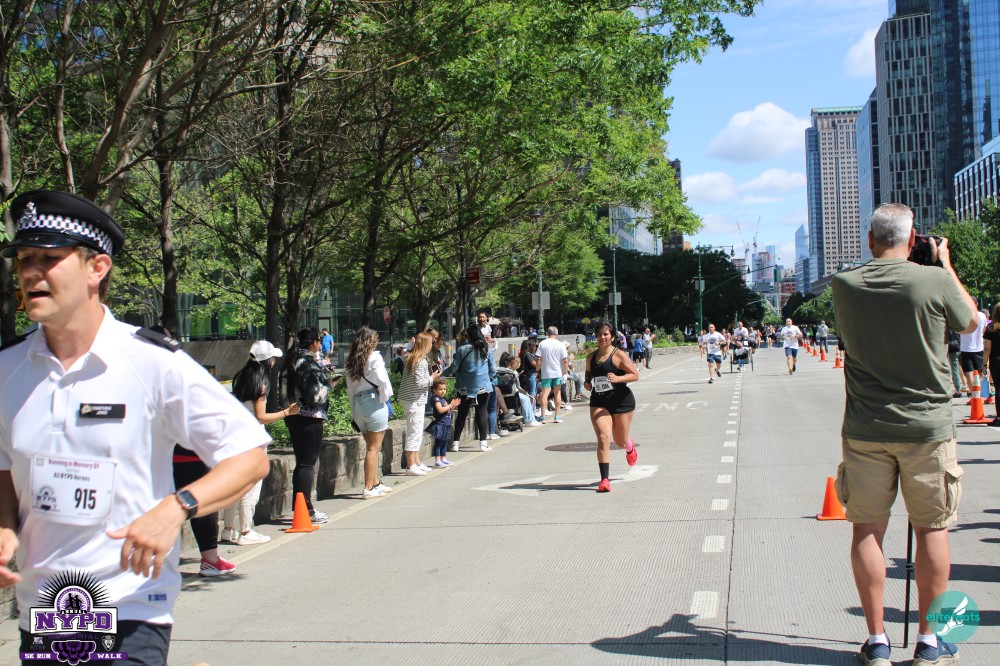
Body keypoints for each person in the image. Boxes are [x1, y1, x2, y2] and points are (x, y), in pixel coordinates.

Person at [0, 191, 270, 663]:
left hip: (130, 605)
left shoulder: (152, 362)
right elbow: (5, 468)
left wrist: (177, 507)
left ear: (96, 267)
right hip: (46, 611)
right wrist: (5, 528)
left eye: (48, 258)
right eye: (24, 258)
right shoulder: (8, 370)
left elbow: (249, 456)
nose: (30, 272)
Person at [832, 202, 978, 666]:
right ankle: (929, 642)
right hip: (927, 428)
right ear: (914, 240)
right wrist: (944, 263)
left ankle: (876, 640)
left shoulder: (844, 284)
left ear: (870, 240)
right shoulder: (934, 280)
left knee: (867, 529)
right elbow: (971, 321)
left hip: (867, 427)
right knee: (932, 530)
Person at [224, 340, 301, 545]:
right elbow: (261, 417)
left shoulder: (240, 378)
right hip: (252, 440)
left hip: (235, 437)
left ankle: (228, 529)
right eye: (273, 358)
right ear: (268, 360)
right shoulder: (261, 383)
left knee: (234, 484)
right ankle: (246, 531)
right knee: (251, 486)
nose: (274, 361)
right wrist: (287, 412)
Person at [584, 320, 639, 492]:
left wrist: (618, 378)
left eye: (606, 334)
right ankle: (604, 480)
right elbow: (588, 373)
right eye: (599, 334)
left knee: (620, 441)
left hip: (621, 401)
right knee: (603, 437)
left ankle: (629, 447)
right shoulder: (591, 357)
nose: (602, 337)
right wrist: (587, 383)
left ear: (612, 336)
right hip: (599, 401)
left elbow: (634, 375)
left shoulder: (619, 355)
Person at [287, 327, 335, 521]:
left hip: (295, 415)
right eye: (318, 340)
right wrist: (330, 386)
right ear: (314, 342)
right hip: (309, 417)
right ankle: (307, 510)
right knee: (307, 464)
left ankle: (301, 507)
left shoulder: (292, 360)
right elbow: (315, 395)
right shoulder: (306, 363)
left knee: (302, 463)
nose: (320, 344)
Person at [345, 327, 395, 498]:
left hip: (358, 405)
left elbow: (350, 389)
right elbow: (382, 380)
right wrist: (385, 395)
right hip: (374, 402)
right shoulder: (374, 357)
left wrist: (354, 412)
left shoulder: (351, 360)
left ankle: (376, 482)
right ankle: (368, 487)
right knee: (374, 448)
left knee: (371, 446)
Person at [442, 326, 496, 451]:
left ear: (469, 336)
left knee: (462, 413)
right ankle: (483, 443)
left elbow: (455, 367)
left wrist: (443, 373)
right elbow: (493, 369)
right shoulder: (486, 349)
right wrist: (488, 378)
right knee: (482, 412)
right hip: (482, 385)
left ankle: (455, 443)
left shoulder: (462, 349)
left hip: (464, 386)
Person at [399, 332, 439, 476]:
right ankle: (411, 465)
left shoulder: (412, 358)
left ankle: (416, 461)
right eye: (430, 343)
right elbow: (419, 383)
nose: (431, 345)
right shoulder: (420, 361)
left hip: (412, 399)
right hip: (415, 400)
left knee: (416, 431)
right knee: (414, 432)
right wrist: (432, 378)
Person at [498, 353, 542, 427]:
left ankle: (531, 419)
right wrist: (526, 393)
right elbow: (518, 387)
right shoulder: (514, 373)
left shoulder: (498, 370)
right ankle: (529, 420)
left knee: (526, 398)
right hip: (513, 394)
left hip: (501, 395)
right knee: (527, 398)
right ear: (513, 363)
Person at [537, 326, 569, 423]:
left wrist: (537, 369)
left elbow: (539, 358)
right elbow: (565, 360)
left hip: (546, 372)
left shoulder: (542, 343)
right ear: (557, 333)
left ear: (547, 333)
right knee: (557, 393)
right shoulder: (560, 345)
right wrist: (565, 372)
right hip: (557, 372)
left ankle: (543, 416)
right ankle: (557, 416)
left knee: (544, 394)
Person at [427, 379, 462, 466]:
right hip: (440, 424)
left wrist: (453, 406)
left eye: (444, 389)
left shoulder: (443, 399)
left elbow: (448, 411)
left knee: (444, 442)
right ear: (434, 390)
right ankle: (437, 460)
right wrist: (450, 405)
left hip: (446, 424)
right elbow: (440, 410)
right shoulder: (436, 399)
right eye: (440, 389)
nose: (443, 391)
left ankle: (443, 458)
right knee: (439, 443)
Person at [958, 307, 988, 397]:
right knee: (979, 372)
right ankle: (981, 392)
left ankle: (974, 395)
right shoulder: (982, 315)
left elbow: (958, 330)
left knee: (969, 372)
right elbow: (984, 330)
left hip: (965, 347)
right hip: (979, 346)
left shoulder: (962, 314)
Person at [982, 303, 1000, 425]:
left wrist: (984, 363)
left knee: (998, 388)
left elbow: (987, 348)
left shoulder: (991, 328)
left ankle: (999, 417)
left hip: (996, 360)